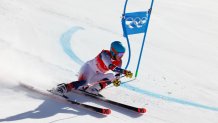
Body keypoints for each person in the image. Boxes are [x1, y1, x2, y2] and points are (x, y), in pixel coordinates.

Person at [53, 41, 133, 96]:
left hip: (96, 75)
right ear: (113, 52)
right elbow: (111, 66)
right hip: (88, 69)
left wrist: (117, 80)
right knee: (83, 83)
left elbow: (117, 74)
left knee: (111, 76)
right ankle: (62, 88)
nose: (121, 56)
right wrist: (124, 71)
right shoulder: (104, 54)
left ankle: (93, 89)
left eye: (122, 54)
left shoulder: (119, 62)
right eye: (119, 54)